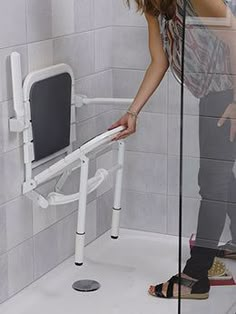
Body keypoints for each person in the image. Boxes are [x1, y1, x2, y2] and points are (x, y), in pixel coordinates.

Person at [108, 0, 236, 300]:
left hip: (228, 92)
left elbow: (235, 36)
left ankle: (195, 276)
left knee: (213, 180)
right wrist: (133, 112)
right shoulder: (155, 7)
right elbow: (159, 61)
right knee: (221, 176)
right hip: (215, 94)